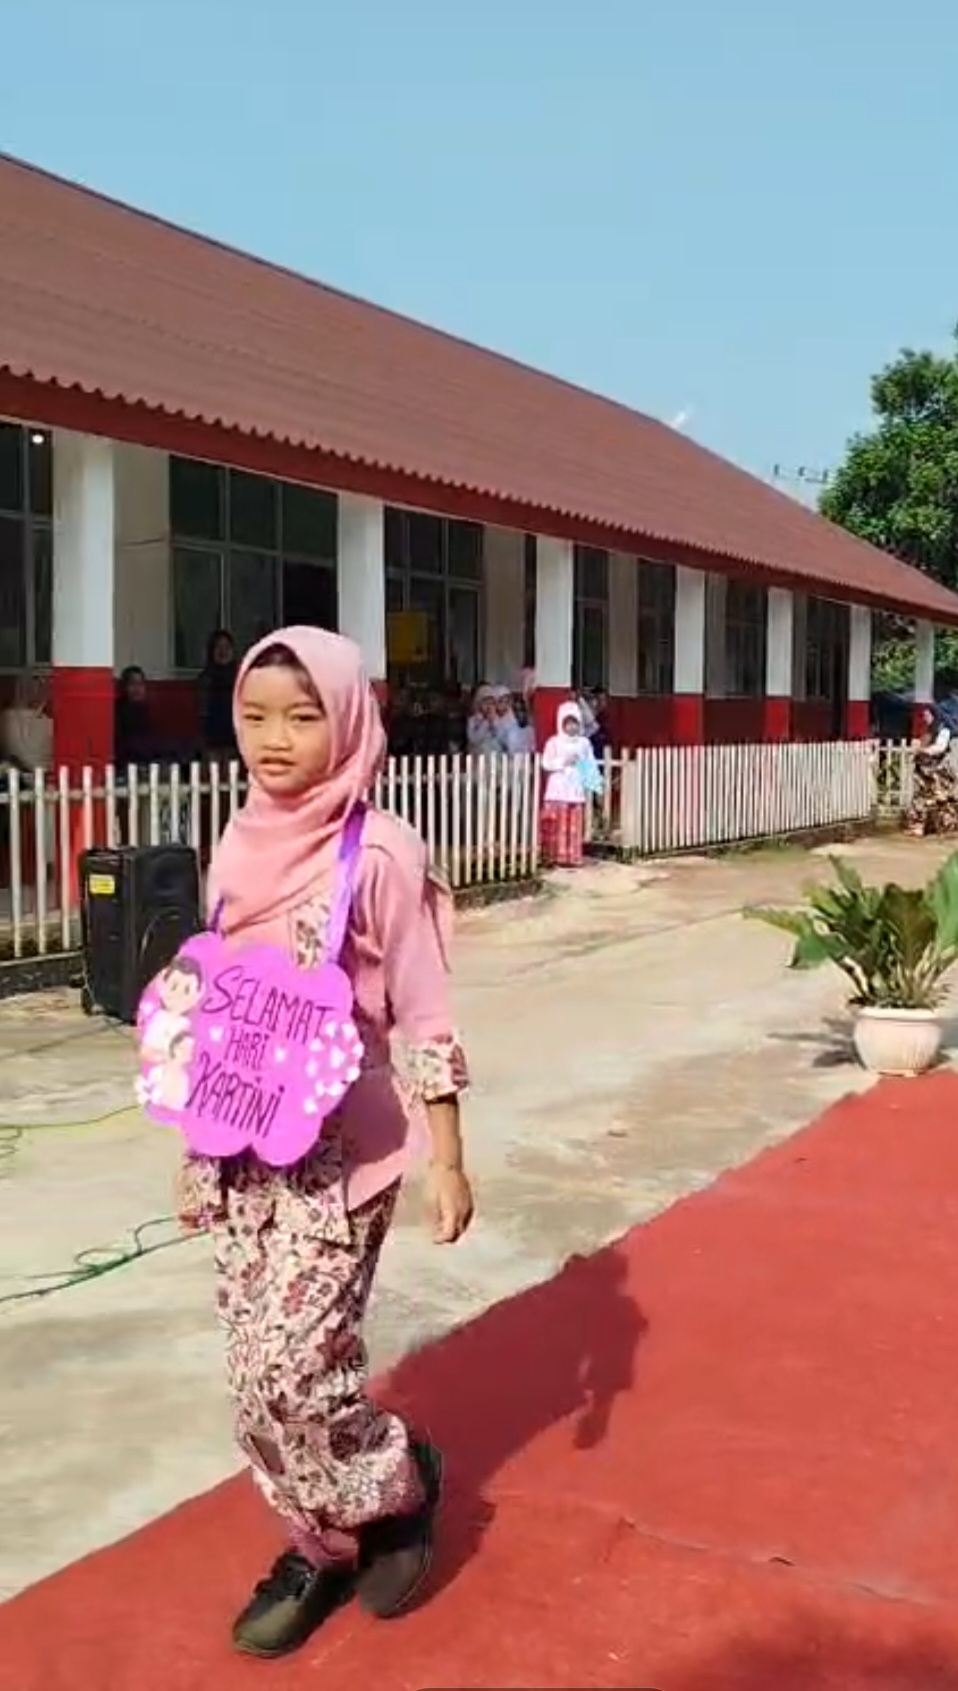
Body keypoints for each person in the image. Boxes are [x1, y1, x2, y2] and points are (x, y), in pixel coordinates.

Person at [174, 626, 474, 1660]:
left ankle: (393, 1482)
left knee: (298, 1369)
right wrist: (193, 1148)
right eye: (255, 715)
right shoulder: (237, 841)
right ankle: (320, 1539)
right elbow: (222, 1004)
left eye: (303, 717)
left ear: (347, 722)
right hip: (241, 1152)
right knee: (252, 1379)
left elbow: (424, 1010)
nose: (275, 738)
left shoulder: (378, 851)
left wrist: (448, 1156)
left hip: (345, 1157)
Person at [540, 700, 602, 867]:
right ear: (561, 723)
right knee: (557, 826)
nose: (571, 727)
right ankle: (556, 856)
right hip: (557, 791)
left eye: (575, 723)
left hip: (575, 791)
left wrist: (596, 786)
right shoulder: (553, 742)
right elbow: (545, 763)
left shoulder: (584, 743)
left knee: (574, 827)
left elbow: (590, 764)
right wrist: (563, 762)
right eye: (567, 723)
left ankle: (573, 856)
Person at [906, 703, 958, 837]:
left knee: (942, 798)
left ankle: (947, 827)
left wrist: (924, 750)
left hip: (938, 770)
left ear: (934, 715)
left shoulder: (944, 730)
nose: (925, 717)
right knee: (919, 797)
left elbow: (940, 747)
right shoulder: (928, 731)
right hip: (922, 769)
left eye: (927, 714)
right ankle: (917, 827)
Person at [198, 628, 240, 759]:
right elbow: (202, 712)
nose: (223, 651)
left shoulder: (241, 677)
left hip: (237, 738)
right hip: (212, 739)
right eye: (218, 647)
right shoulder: (206, 678)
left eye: (227, 647)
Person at [114, 665, 157, 767]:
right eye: (132, 684)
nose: (137, 689)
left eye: (140, 684)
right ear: (124, 687)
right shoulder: (119, 710)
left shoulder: (143, 709)